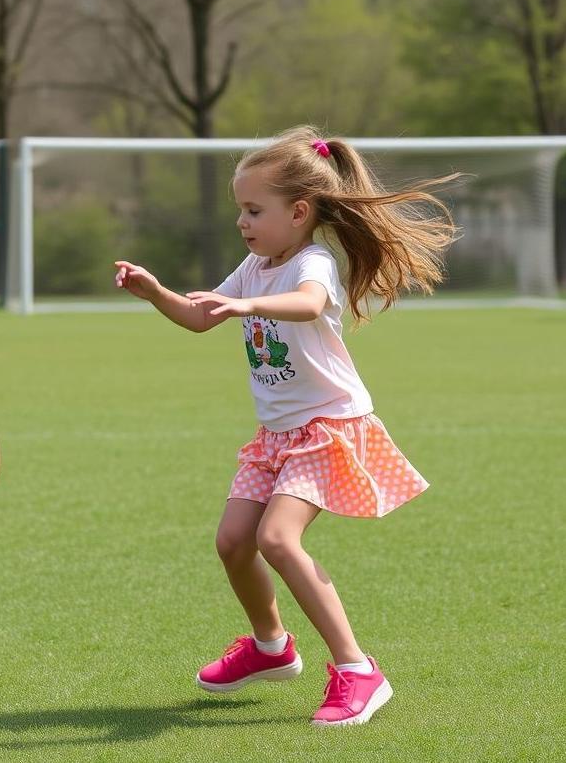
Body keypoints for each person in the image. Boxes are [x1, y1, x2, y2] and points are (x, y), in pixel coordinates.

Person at [113, 125, 459, 727]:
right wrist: (155, 292)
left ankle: (357, 670)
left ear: (299, 212)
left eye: (254, 210)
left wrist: (249, 306)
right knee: (232, 542)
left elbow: (304, 303)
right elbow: (200, 317)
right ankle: (272, 648)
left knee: (277, 539)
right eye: (239, 211)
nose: (243, 223)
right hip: (276, 437)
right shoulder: (253, 265)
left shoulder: (312, 262)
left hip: (329, 428)